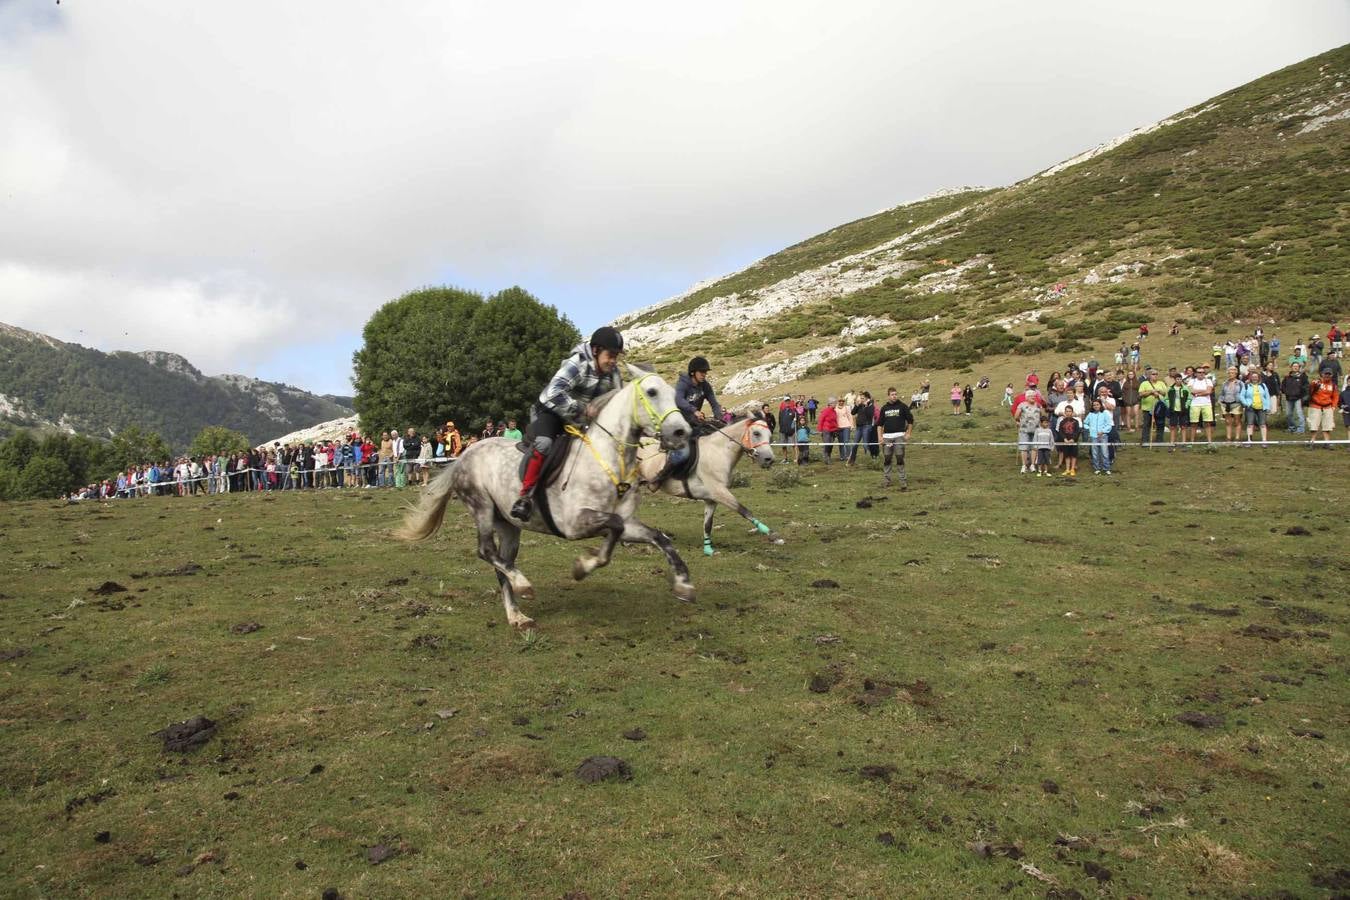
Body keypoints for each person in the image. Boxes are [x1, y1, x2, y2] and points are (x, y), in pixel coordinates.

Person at [512, 326, 626, 521]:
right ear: (596, 350)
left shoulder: (612, 372)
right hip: (550, 412)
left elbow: (620, 398)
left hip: (579, 420)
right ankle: (525, 497)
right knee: (545, 443)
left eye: (616, 356)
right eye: (611, 355)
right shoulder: (578, 364)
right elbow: (552, 393)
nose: (613, 360)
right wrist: (582, 409)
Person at [653, 356, 724, 485]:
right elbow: (678, 400)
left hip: (692, 422)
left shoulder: (705, 386)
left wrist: (721, 418)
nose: (704, 375)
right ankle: (660, 477)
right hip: (677, 423)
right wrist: (694, 410)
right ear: (693, 372)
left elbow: (714, 403)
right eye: (701, 372)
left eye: (705, 372)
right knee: (683, 452)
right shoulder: (683, 384)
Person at [877, 387, 913, 490]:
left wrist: (908, 433)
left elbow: (910, 421)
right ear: (888, 396)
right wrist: (880, 437)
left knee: (899, 457)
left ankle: (903, 481)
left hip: (899, 436)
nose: (894, 396)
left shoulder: (903, 406)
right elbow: (879, 425)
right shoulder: (884, 408)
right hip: (887, 437)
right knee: (887, 458)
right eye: (892, 394)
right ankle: (887, 480)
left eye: (896, 394)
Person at [1307, 368, 1340, 446]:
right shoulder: (1316, 382)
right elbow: (1309, 390)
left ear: (1331, 375)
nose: (1327, 376)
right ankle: (1312, 441)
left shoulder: (1333, 385)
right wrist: (1313, 384)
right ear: (1322, 374)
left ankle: (1327, 442)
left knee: (1327, 426)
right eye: (1326, 374)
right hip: (1315, 406)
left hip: (1328, 407)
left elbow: (1335, 396)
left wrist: (1333, 406)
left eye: (1329, 374)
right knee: (1313, 425)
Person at [1186, 364, 1215, 443]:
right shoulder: (1191, 381)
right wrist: (1203, 391)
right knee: (1194, 423)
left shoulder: (1208, 381)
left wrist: (1198, 393)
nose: (1201, 373)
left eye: (1203, 372)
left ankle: (1209, 441)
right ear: (1195, 373)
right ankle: (1192, 441)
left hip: (1206, 404)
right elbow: (1191, 391)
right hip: (1195, 404)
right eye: (1199, 372)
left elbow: (1209, 391)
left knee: (1208, 423)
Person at [1084, 398, 1114, 475]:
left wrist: (1103, 431)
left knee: (1105, 453)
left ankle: (1106, 468)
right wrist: (1090, 429)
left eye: (1097, 404)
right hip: (1094, 437)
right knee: (1095, 453)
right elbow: (1085, 423)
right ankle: (1097, 468)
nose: (1096, 406)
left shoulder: (1105, 413)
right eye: (1094, 405)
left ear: (1100, 405)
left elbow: (1109, 424)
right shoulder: (1090, 414)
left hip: (1103, 436)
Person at [1240, 370, 1270, 444]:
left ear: (1259, 378)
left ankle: (1264, 441)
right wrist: (1246, 403)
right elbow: (1241, 396)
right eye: (1253, 377)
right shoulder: (1246, 385)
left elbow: (1267, 396)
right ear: (1250, 378)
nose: (1254, 378)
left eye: (1256, 377)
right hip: (1250, 407)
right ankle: (1249, 441)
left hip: (1262, 407)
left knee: (1263, 424)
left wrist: (1268, 407)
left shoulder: (1263, 385)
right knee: (1250, 424)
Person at [1217, 366, 1244, 443]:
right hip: (1226, 404)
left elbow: (1243, 393)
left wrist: (1243, 402)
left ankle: (1237, 438)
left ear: (1236, 373)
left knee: (1237, 421)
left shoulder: (1240, 383)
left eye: (1232, 373)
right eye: (1229, 373)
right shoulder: (1225, 383)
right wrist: (1220, 401)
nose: (1231, 374)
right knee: (1228, 422)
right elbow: (1222, 393)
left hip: (1236, 404)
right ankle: (1228, 438)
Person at [1281, 363, 1309, 434]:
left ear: (1299, 367)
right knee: (1288, 414)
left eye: (1297, 366)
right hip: (1289, 398)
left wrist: (1301, 393)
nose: (1295, 367)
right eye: (1294, 366)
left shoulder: (1303, 376)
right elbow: (1283, 386)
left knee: (1299, 413)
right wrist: (1285, 391)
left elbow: (1306, 386)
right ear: (1291, 367)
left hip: (1298, 398)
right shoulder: (1287, 377)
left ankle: (1301, 429)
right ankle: (1291, 427)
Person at [1165, 373, 1190, 447]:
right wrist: (1169, 405)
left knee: (1183, 426)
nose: (1179, 381)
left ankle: (1183, 443)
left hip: (1183, 409)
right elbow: (1166, 398)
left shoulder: (1185, 388)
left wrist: (1186, 405)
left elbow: (1189, 398)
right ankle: (1172, 442)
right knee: (1173, 426)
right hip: (1173, 409)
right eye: (1177, 379)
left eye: (1180, 379)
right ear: (1175, 380)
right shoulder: (1170, 388)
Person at [1056, 405, 1080, 477]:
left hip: (1073, 441)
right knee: (1066, 456)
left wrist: (1073, 439)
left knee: (1073, 455)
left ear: (1072, 412)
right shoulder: (1062, 422)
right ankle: (1067, 469)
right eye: (1067, 411)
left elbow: (1077, 431)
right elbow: (1060, 432)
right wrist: (1064, 439)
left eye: (1070, 411)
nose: (1068, 413)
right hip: (1065, 441)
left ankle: (1072, 469)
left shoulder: (1076, 421)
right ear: (1065, 412)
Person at [817, 397, 840, 464]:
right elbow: (821, 420)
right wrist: (820, 430)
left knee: (831, 445)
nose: (836, 405)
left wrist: (837, 428)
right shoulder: (826, 411)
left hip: (833, 430)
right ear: (831, 404)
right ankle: (826, 458)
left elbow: (835, 421)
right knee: (827, 444)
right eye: (835, 403)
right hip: (826, 430)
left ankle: (829, 456)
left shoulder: (834, 411)